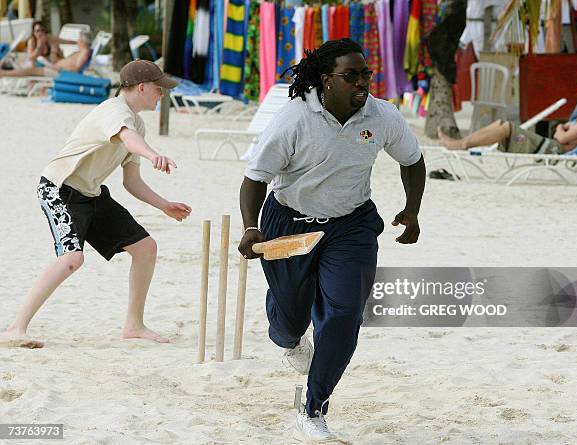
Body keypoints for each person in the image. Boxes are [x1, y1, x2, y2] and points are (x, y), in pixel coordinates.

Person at [237, 38, 425, 443]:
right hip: (289, 221)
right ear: (326, 81)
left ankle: (314, 407)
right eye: (350, 76)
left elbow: (412, 160)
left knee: (343, 315)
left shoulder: (382, 116)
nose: (362, 83)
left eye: (366, 75)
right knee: (290, 317)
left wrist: (412, 210)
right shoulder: (294, 119)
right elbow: (255, 178)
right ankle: (288, 338)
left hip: (351, 226)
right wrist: (251, 228)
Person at [0, 60, 191, 349]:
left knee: (145, 248)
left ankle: (134, 325)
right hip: (59, 188)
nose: (162, 94)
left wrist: (163, 205)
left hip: (91, 194)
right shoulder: (112, 111)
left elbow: (132, 182)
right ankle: (15, 328)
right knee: (72, 259)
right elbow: (127, 138)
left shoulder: (137, 123)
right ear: (141, 87)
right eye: (158, 88)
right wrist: (154, 156)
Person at [438, 81, 577, 156]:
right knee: (501, 124)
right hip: (551, 145)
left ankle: (461, 144)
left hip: (553, 150)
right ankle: (462, 142)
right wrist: (564, 129)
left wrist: (560, 128)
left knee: (507, 128)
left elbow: (562, 138)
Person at [0, 30, 91, 78]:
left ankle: (4, 73)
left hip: (58, 72)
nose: (77, 41)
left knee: (30, 70)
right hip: (54, 67)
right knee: (30, 66)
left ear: (83, 41)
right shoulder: (80, 52)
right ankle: (4, 71)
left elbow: (75, 69)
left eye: (79, 39)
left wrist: (55, 67)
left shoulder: (84, 52)